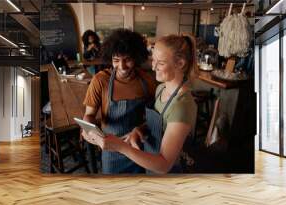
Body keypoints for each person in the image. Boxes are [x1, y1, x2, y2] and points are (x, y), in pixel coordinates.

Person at [87, 34, 198, 174]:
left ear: (180, 63)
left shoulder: (181, 105)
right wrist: (139, 130)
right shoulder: (160, 89)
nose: (153, 68)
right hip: (141, 156)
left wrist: (121, 146)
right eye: (154, 60)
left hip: (158, 167)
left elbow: (164, 165)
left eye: (161, 63)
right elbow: (159, 123)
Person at [81, 29, 157, 174]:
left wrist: (141, 128)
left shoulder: (146, 81)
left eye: (127, 60)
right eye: (116, 60)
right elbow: (89, 115)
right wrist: (93, 133)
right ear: (110, 59)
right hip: (111, 152)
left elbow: (155, 117)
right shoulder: (100, 80)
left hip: (138, 148)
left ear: (136, 57)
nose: (121, 66)